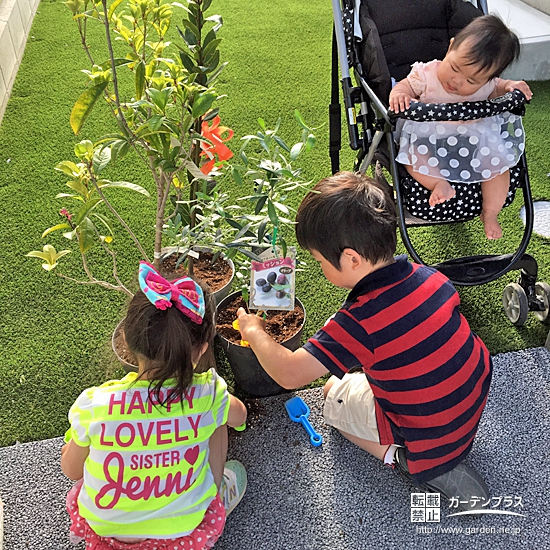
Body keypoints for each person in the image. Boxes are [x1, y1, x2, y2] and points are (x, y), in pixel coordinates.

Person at [237, 172, 493, 510]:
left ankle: (405, 460)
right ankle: (434, 452)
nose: (320, 268)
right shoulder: (428, 275)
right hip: (467, 406)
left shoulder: (360, 322)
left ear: (351, 259)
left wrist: (253, 330)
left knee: (331, 396)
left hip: (427, 432)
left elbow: (290, 374)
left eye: (319, 261)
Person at [61, 261, 247, 549]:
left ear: (126, 338)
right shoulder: (209, 393)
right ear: (201, 349)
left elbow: (73, 472)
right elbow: (239, 416)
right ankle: (217, 490)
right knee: (217, 420)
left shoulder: (95, 403)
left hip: (106, 530)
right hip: (183, 530)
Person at [388, 14, 533, 240]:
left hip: (473, 143)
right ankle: (440, 184)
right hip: (429, 140)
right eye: (455, 68)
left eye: (471, 81)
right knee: (412, 158)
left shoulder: (487, 85)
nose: (457, 81)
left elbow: (501, 86)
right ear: (451, 47)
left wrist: (511, 86)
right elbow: (405, 86)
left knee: (498, 163)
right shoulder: (426, 74)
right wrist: (400, 94)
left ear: (487, 79)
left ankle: (490, 212)